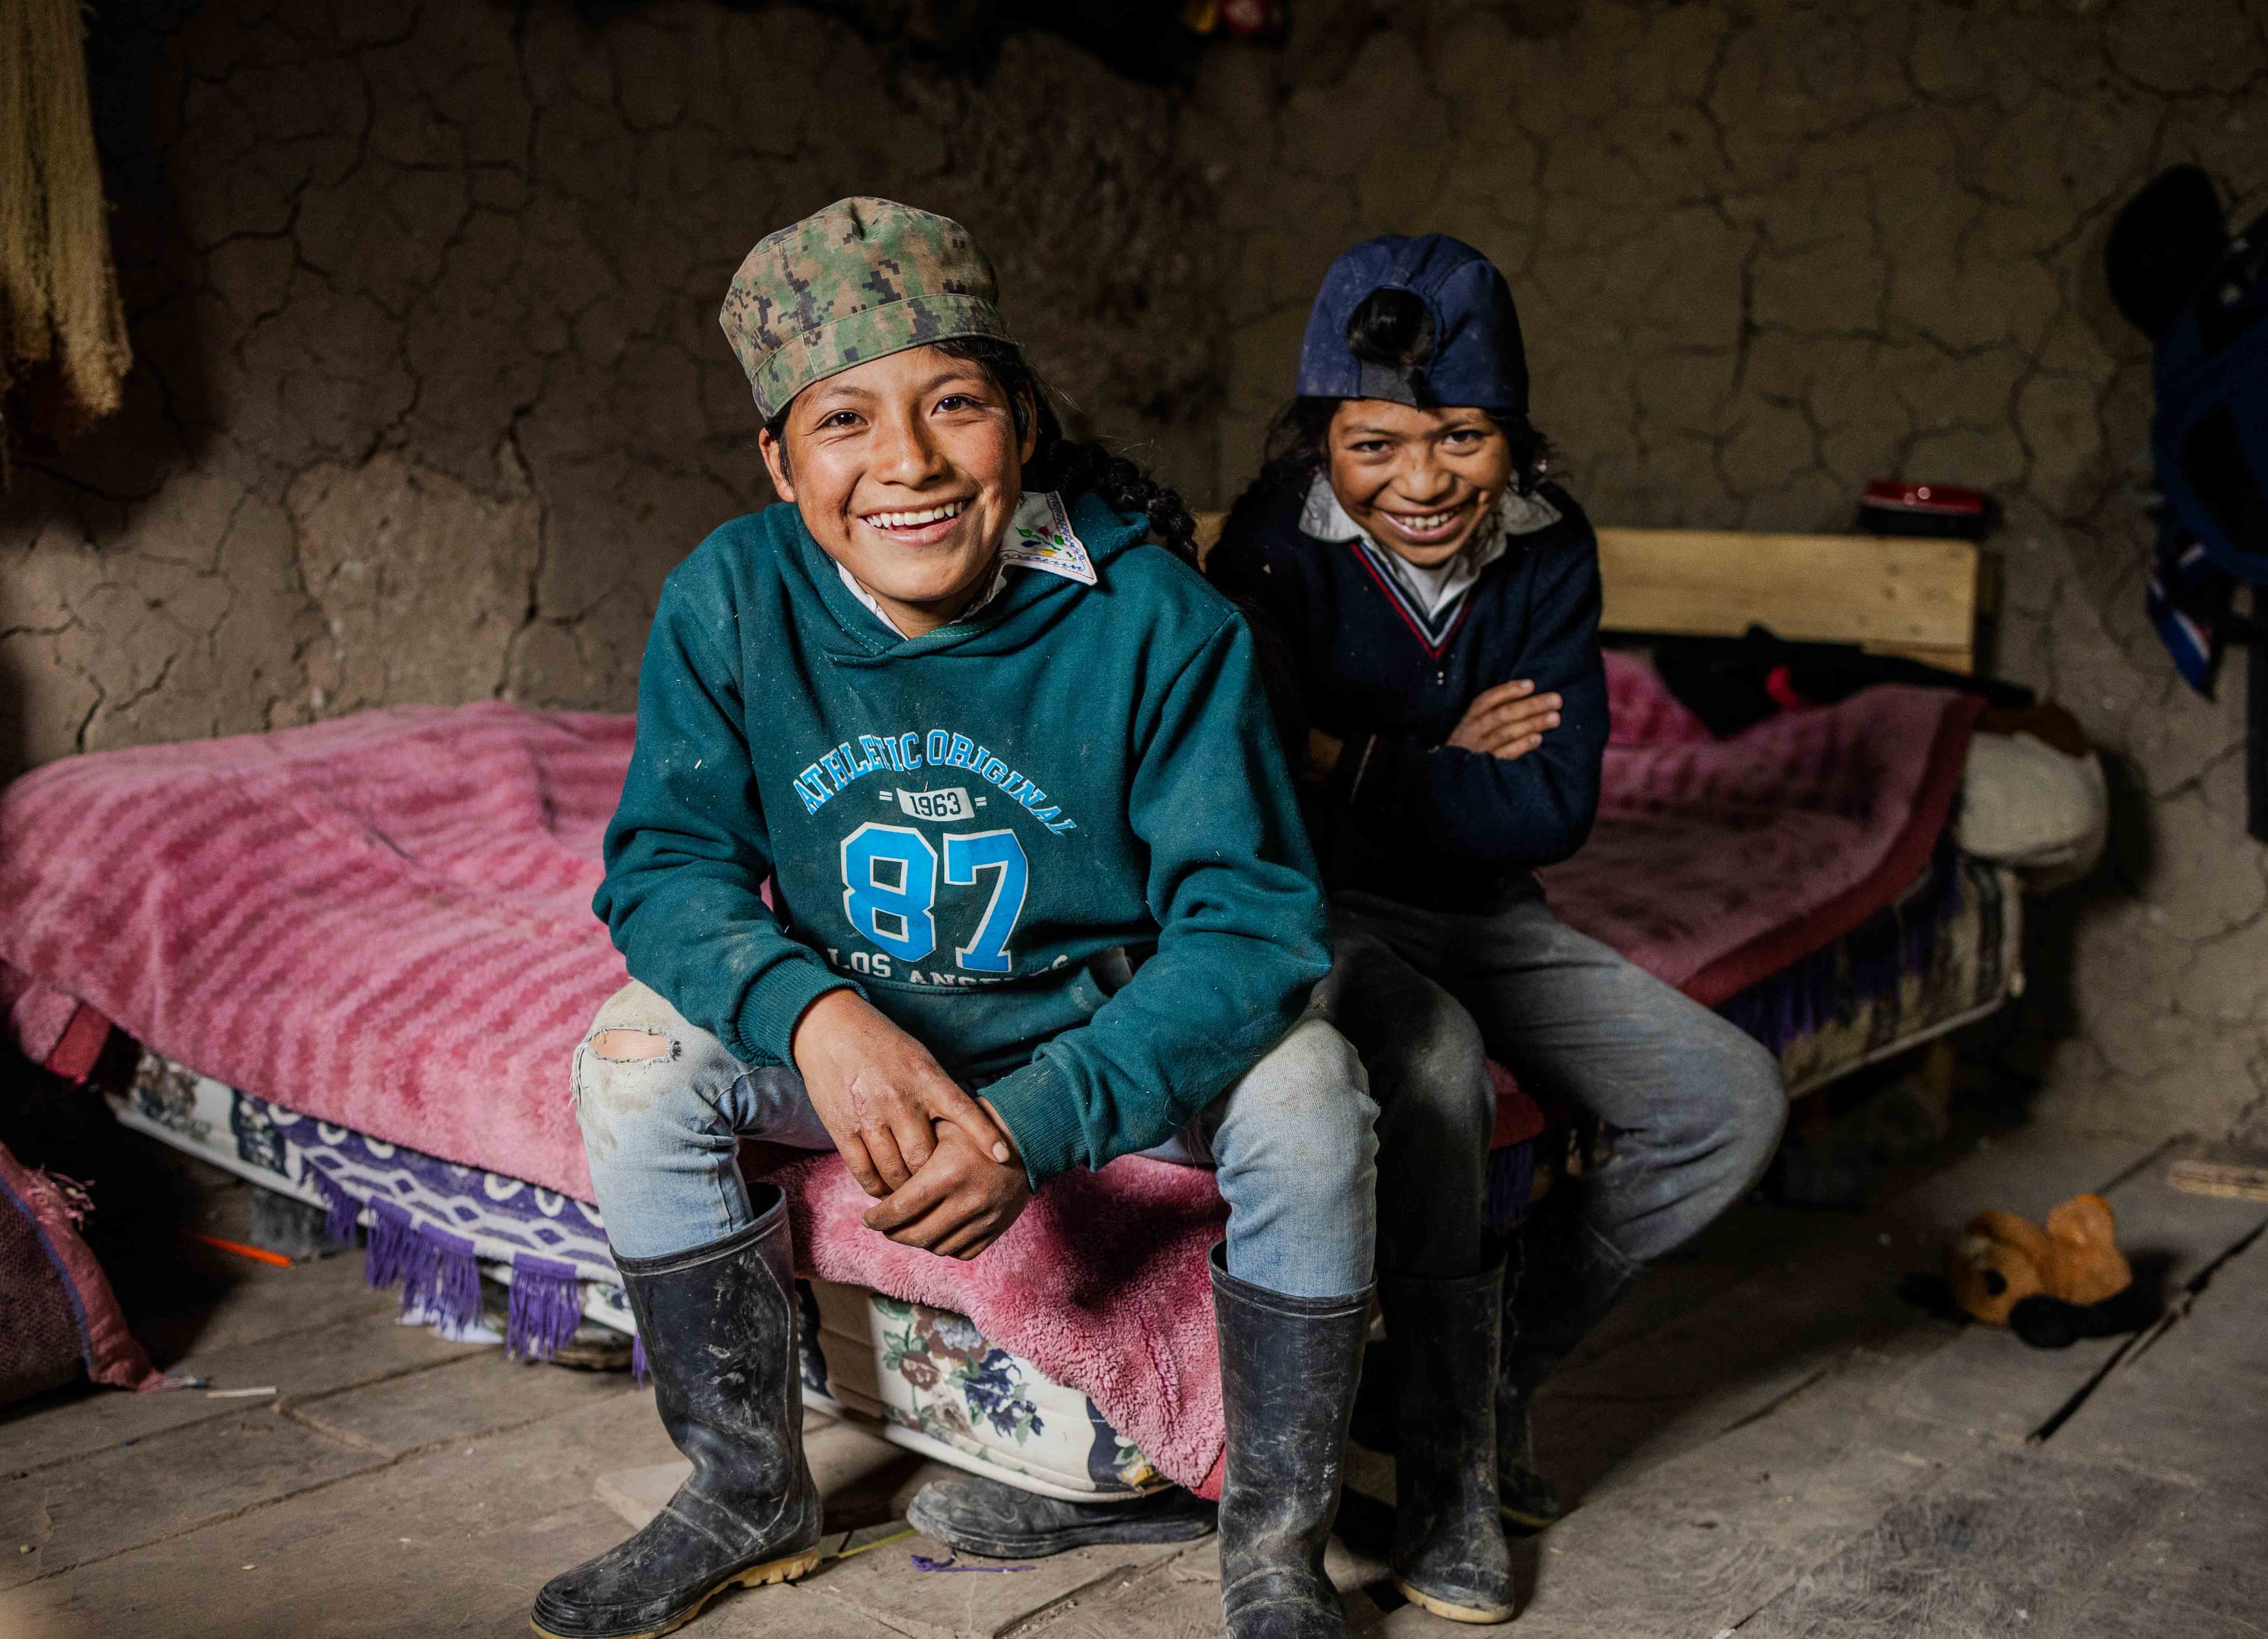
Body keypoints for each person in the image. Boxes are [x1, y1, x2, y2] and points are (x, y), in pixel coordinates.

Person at [536, 197, 1383, 1639]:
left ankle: (1277, 1536)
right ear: (779, 460)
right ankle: (748, 1492)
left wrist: (1039, 1121)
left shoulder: (1158, 622)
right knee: (628, 1063)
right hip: (868, 1040)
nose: (908, 463)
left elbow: (1250, 926)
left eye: (954, 405)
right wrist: (822, 1018)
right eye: (844, 422)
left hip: (1101, 1039)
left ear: (1026, 420)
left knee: (1313, 1089)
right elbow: (667, 864)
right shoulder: (733, 597)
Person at [1203, 234, 1789, 1624]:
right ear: (1319, 437)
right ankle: (1454, 1468)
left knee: (1726, 1101)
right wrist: (1427, 754)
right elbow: (1258, 779)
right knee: (1439, 1060)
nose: (1419, 481)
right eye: (1374, 441)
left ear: (1513, 437)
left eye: (1461, 436)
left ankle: (1468, 1383)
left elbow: (1546, 807)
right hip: (1322, 906)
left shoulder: (1550, 550)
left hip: (1487, 911)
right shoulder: (1269, 549)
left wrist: (1364, 755)